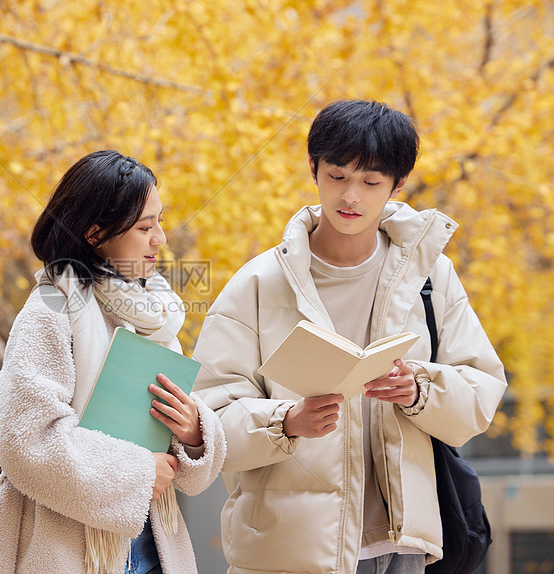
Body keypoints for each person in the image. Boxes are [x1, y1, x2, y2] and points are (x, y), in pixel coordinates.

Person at [192, 100, 507, 574]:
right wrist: (287, 421)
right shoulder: (257, 284)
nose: (351, 197)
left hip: (402, 546)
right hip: (290, 550)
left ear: (399, 184)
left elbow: (482, 392)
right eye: (337, 176)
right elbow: (207, 422)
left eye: (371, 182)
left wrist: (420, 389)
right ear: (314, 169)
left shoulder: (431, 277)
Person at [0, 150, 226, 574]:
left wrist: (193, 433)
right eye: (144, 227)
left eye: (160, 221)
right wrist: (136, 474)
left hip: (155, 549)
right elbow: (26, 444)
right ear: (96, 234)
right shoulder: (49, 309)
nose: (160, 239)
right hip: (67, 553)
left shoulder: (153, 314)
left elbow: (181, 462)